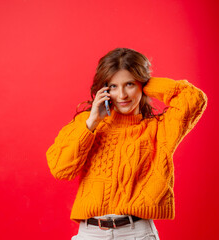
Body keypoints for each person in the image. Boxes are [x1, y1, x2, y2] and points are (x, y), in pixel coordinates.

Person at [46, 48, 207, 240]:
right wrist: (92, 123)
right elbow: (60, 169)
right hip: (91, 234)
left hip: (137, 234)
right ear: (103, 89)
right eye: (113, 86)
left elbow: (193, 98)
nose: (122, 95)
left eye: (129, 84)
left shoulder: (158, 130)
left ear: (142, 84)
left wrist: (146, 82)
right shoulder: (86, 123)